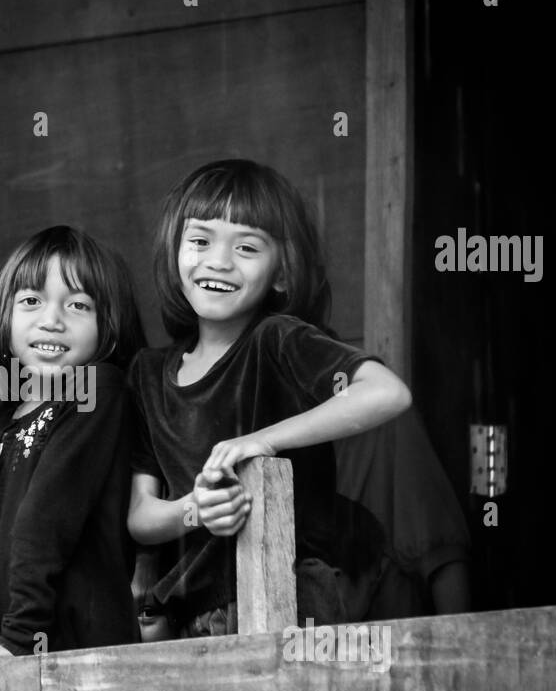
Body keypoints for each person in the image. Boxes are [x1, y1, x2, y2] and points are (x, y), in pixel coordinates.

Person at [127, 159, 414, 636]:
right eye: (200, 240)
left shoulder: (276, 340)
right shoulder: (148, 374)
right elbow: (140, 517)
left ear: (282, 273)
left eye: (246, 247)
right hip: (195, 615)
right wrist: (194, 508)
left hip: (294, 593)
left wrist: (262, 440)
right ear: (174, 253)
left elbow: (387, 393)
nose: (218, 260)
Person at [0, 226, 146, 683]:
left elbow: (48, 517)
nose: (52, 319)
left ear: (109, 326)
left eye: (78, 305)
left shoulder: (96, 389)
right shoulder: (8, 414)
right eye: (31, 301)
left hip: (84, 661)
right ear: (4, 319)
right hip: (24, 657)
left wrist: (19, 638)